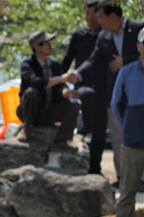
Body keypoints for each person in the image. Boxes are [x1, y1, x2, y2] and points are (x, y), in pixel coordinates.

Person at [75, 0, 144, 183]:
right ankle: (123, 177)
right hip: (116, 94)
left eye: (101, 17)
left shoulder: (139, 29)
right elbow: (93, 60)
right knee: (117, 135)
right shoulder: (103, 36)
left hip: (140, 93)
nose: (98, 21)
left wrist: (126, 61)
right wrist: (77, 74)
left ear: (113, 16)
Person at [15, 30, 81, 150]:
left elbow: (60, 86)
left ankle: (62, 140)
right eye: (47, 43)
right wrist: (60, 79)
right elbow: (36, 82)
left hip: (49, 111)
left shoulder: (55, 65)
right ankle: (27, 128)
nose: (50, 46)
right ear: (37, 47)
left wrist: (65, 92)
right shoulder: (28, 64)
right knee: (31, 92)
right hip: (30, 112)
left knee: (75, 103)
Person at [109, 28, 144, 217]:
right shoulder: (127, 72)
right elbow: (116, 104)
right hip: (133, 140)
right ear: (139, 46)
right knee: (128, 189)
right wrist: (127, 127)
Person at [62, 0, 103, 145]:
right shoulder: (78, 36)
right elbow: (67, 60)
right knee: (86, 94)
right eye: (88, 13)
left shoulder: (106, 34)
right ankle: (87, 129)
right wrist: (59, 79)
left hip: (103, 82)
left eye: (94, 13)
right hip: (83, 82)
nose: (91, 17)